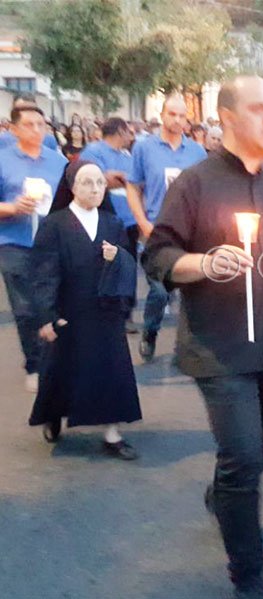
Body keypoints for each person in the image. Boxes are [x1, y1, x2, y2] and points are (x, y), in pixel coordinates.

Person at [143, 75, 263, 598]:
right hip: (219, 347)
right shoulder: (194, 184)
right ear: (228, 118)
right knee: (241, 456)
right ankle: (249, 575)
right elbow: (158, 256)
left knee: (262, 447)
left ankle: (223, 497)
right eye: (259, 109)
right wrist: (205, 262)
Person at [28, 161, 141, 459]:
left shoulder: (113, 223)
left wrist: (117, 258)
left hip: (105, 312)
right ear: (72, 187)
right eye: (87, 182)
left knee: (111, 371)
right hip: (69, 310)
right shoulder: (55, 224)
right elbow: (44, 273)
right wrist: (47, 316)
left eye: (100, 183)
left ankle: (112, 433)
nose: (95, 189)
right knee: (62, 369)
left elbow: (130, 264)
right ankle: (54, 414)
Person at [126, 94, 207, 362]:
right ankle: (150, 333)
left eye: (182, 115)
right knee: (159, 292)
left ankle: (183, 348)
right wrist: (142, 222)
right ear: (162, 115)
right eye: (172, 114)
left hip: (188, 236)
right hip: (155, 234)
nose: (177, 120)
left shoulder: (196, 151)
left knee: (190, 295)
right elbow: (133, 187)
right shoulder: (144, 148)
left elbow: (205, 193)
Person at [0, 105, 68, 393]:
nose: (36, 130)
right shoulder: (3, 160)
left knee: (56, 306)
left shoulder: (57, 162)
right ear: (14, 129)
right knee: (27, 309)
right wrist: (12, 207)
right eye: (29, 125)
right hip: (14, 243)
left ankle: (61, 362)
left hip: (53, 245)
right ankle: (35, 364)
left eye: (41, 124)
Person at [80, 118, 138, 259]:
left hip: (130, 222)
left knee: (128, 266)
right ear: (120, 132)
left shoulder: (127, 155)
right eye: (129, 132)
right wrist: (124, 180)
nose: (131, 137)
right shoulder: (94, 151)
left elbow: (138, 181)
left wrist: (119, 177)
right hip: (105, 221)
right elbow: (98, 181)